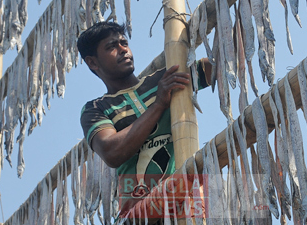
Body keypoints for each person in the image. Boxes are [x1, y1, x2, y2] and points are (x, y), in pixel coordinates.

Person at [77, 21, 212, 213]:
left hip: (191, 204)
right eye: (111, 47)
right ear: (92, 62)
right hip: (141, 220)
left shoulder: (164, 79)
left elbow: (222, 63)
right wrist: (159, 105)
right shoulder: (96, 108)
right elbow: (112, 152)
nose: (123, 50)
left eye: (124, 43)